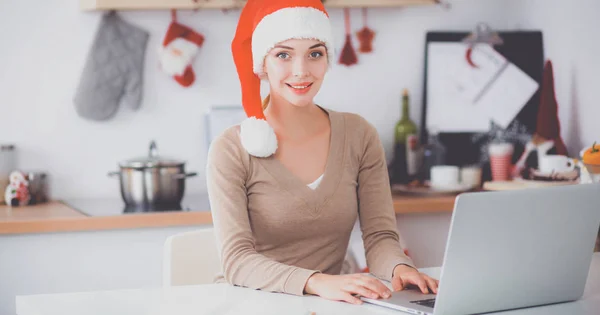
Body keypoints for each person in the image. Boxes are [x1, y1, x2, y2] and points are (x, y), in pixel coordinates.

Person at [206, 0, 438, 305]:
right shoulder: (231, 148)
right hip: (252, 304)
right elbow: (237, 261)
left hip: (333, 304)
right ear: (262, 63)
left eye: (315, 54)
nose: (301, 71)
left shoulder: (359, 135)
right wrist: (316, 282)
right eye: (283, 55)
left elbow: (380, 238)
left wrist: (400, 267)